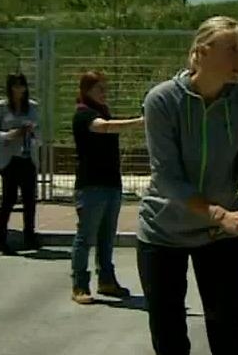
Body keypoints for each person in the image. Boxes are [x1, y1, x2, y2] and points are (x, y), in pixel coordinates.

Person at [136, 16, 238, 355]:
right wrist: (221, 214)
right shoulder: (161, 100)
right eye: (232, 49)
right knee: (169, 341)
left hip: (218, 237)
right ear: (201, 52)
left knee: (228, 340)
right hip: (162, 234)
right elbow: (167, 178)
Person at [70, 71, 144, 304]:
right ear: (87, 90)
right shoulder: (83, 114)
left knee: (107, 237)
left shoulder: (103, 111)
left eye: (105, 88)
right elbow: (104, 128)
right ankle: (80, 284)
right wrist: (138, 122)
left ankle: (106, 280)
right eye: (99, 89)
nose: (104, 93)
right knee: (86, 237)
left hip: (111, 183)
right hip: (91, 186)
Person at [0, 73, 41, 255]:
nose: (19, 90)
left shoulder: (32, 107)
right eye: (15, 86)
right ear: (9, 88)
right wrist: (7, 135)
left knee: (30, 199)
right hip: (9, 159)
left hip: (27, 157)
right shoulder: (0, 107)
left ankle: (29, 235)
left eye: (22, 86)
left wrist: (31, 132)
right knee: (8, 199)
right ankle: (0, 240)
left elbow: (39, 130)